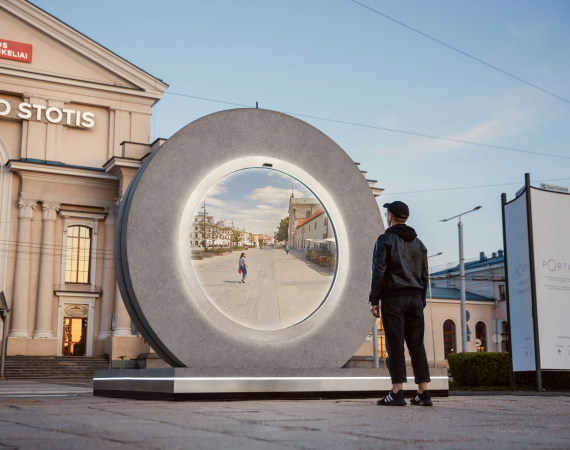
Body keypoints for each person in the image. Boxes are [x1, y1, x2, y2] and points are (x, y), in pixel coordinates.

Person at [369, 201, 432, 407]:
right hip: (415, 298)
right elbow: (424, 276)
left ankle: (397, 392)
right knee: (417, 346)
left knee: (395, 344)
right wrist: (420, 300)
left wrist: (374, 299)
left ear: (390, 217)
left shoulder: (385, 239)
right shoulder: (420, 243)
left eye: (387, 213)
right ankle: (423, 393)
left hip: (393, 298)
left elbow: (379, 270)